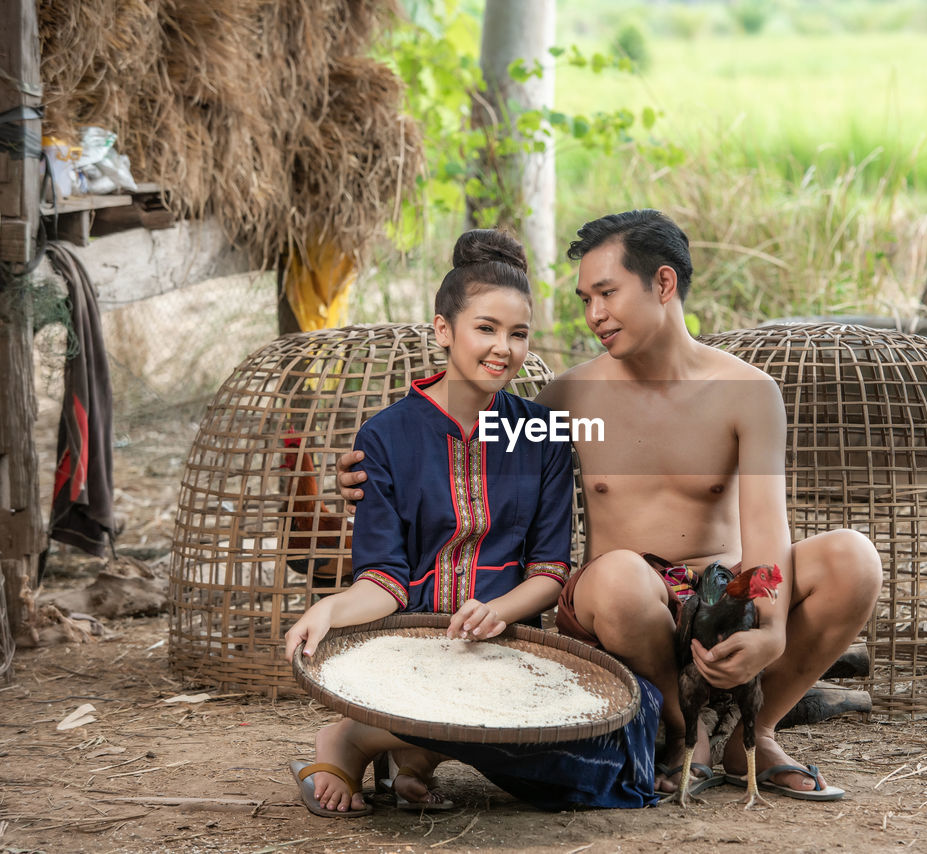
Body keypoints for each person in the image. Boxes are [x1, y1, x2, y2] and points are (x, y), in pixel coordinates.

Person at [339, 210, 882, 802]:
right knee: (622, 575)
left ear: (664, 285)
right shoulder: (568, 399)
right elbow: (465, 459)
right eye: (585, 298)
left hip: (719, 601)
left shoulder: (746, 394)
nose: (594, 314)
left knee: (853, 559)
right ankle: (684, 731)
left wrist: (772, 628)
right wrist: (369, 475)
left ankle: (756, 731)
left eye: (607, 293)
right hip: (619, 612)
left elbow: (766, 531)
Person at [285, 229, 660, 817]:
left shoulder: (542, 433)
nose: (503, 348)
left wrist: (499, 612)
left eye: (518, 333)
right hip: (407, 648)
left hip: (505, 650)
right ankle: (352, 738)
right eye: (485, 328)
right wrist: (328, 610)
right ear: (443, 331)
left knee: (614, 770)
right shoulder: (385, 437)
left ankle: (407, 745)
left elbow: (549, 570)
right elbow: (382, 581)